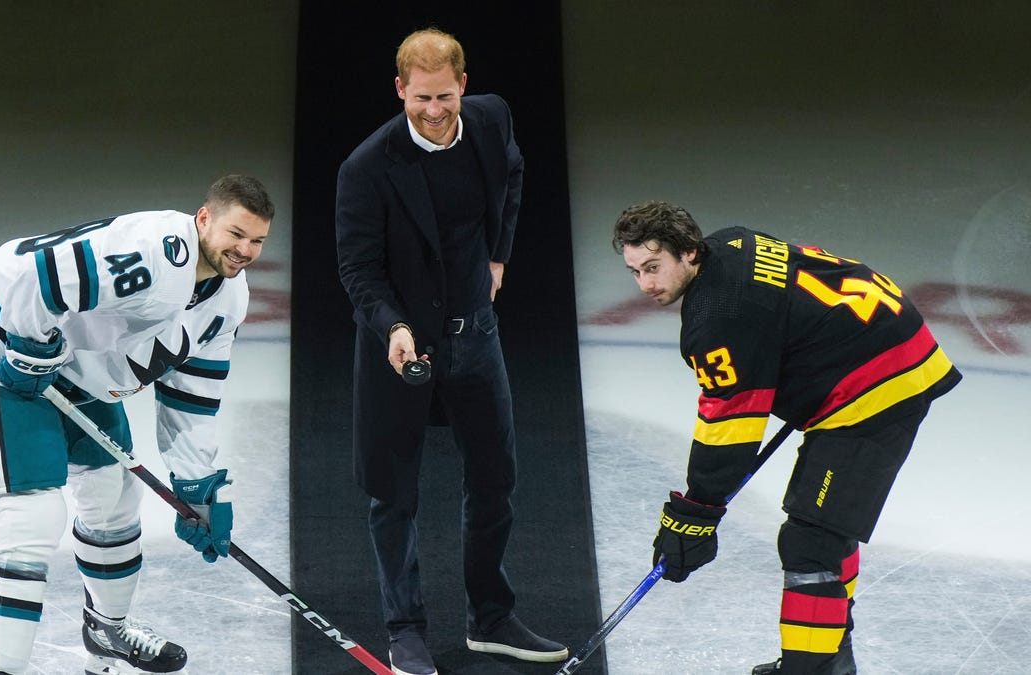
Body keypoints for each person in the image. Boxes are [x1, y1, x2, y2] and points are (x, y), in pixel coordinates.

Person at [0, 174, 274, 675]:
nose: (244, 250)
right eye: (235, 234)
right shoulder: (154, 254)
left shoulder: (228, 300)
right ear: (204, 218)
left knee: (114, 494)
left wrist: (195, 485)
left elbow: (193, 393)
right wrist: (29, 349)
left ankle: (106, 630)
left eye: (257, 241)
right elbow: (42, 278)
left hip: (71, 363)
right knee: (32, 517)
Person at [612, 201, 961, 674]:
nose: (645, 285)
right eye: (635, 271)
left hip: (877, 383)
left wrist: (695, 513)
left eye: (653, 267)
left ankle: (811, 668)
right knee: (826, 526)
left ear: (689, 252)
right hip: (883, 343)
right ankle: (830, 657)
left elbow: (729, 429)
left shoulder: (716, 319)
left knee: (812, 538)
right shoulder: (732, 242)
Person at [334, 28, 567, 675]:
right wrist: (394, 327)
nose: (434, 111)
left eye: (444, 96)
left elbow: (512, 177)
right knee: (393, 493)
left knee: (494, 480)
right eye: (420, 98)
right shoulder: (366, 168)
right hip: (399, 347)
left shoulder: (490, 120)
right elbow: (357, 269)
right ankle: (404, 628)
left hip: (475, 337)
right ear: (400, 89)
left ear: (462, 86)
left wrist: (498, 256)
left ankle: (489, 615)